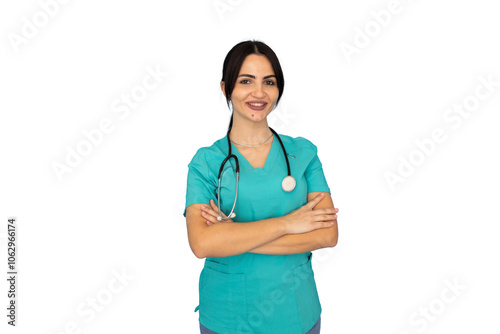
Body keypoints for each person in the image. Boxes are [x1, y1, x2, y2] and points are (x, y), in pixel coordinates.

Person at [183, 40, 339, 334]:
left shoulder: (303, 154)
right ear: (225, 87)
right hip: (227, 316)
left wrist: (230, 236)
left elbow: (328, 234)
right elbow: (202, 244)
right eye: (246, 81)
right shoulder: (206, 162)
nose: (259, 93)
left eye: (269, 82)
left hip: (296, 312)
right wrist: (290, 223)